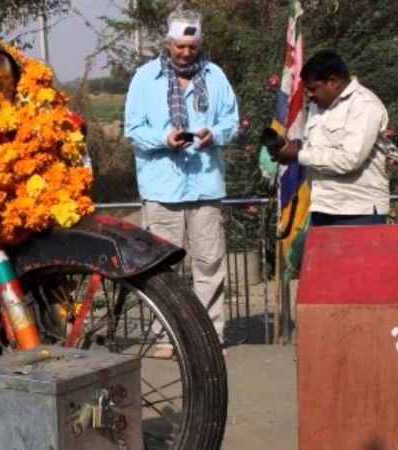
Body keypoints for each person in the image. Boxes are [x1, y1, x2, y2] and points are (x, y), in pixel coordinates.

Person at [124, 8, 239, 358]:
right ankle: (165, 336)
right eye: (179, 46)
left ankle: (211, 335)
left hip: (205, 184)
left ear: (198, 43)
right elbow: (132, 129)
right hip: (162, 189)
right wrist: (164, 137)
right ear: (168, 42)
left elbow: (232, 122)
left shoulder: (215, 76)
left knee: (209, 264)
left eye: (192, 46)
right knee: (162, 267)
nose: (186, 53)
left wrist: (213, 134)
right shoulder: (144, 79)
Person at [272, 50, 390, 226]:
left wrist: (299, 155)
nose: (309, 95)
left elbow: (349, 159)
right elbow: (319, 150)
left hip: (358, 212)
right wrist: (292, 149)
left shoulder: (364, 105)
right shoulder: (318, 107)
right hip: (323, 208)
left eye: (313, 89)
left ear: (333, 82)